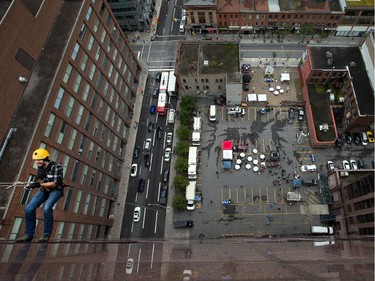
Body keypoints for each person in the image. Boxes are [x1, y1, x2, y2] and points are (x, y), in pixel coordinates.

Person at [16, 148, 64, 243]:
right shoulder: (41, 167)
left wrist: (38, 185)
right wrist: (31, 185)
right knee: (29, 208)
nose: (36, 162)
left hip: (55, 190)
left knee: (47, 208)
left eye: (38, 160)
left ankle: (46, 234)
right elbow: (38, 179)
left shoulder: (56, 166)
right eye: (35, 160)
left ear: (45, 159)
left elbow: (54, 183)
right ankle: (28, 235)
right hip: (44, 190)